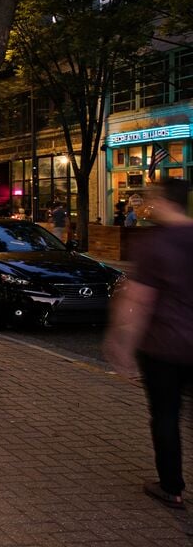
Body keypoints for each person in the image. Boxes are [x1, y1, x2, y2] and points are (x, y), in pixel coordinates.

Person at [103, 179, 193, 509]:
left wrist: (121, 344)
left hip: (164, 347)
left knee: (166, 415)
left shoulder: (155, 244)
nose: (148, 204)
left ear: (166, 201)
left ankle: (171, 487)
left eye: (153, 198)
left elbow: (139, 300)